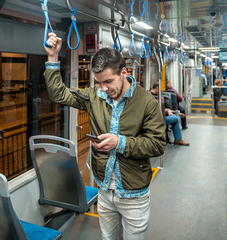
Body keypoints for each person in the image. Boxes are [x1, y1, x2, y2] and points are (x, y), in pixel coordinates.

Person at [43, 33, 166, 239]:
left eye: (108, 81)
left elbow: (157, 145)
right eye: (99, 82)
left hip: (133, 192)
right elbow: (59, 95)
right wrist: (53, 58)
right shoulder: (94, 96)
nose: (104, 88)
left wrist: (119, 143)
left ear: (124, 73)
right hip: (104, 188)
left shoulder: (147, 103)